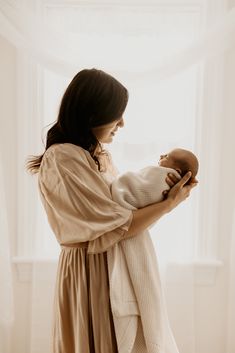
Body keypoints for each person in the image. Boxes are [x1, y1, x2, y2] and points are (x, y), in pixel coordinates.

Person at [26, 68, 197, 353]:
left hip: (107, 263)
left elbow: (124, 213)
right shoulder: (63, 157)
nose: (122, 123)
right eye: (117, 114)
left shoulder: (98, 156)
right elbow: (119, 224)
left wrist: (165, 194)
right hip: (88, 268)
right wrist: (168, 205)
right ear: (93, 113)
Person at [111, 148, 199, 210]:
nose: (161, 155)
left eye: (166, 156)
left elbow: (144, 190)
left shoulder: (162, 177)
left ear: (176, 171)